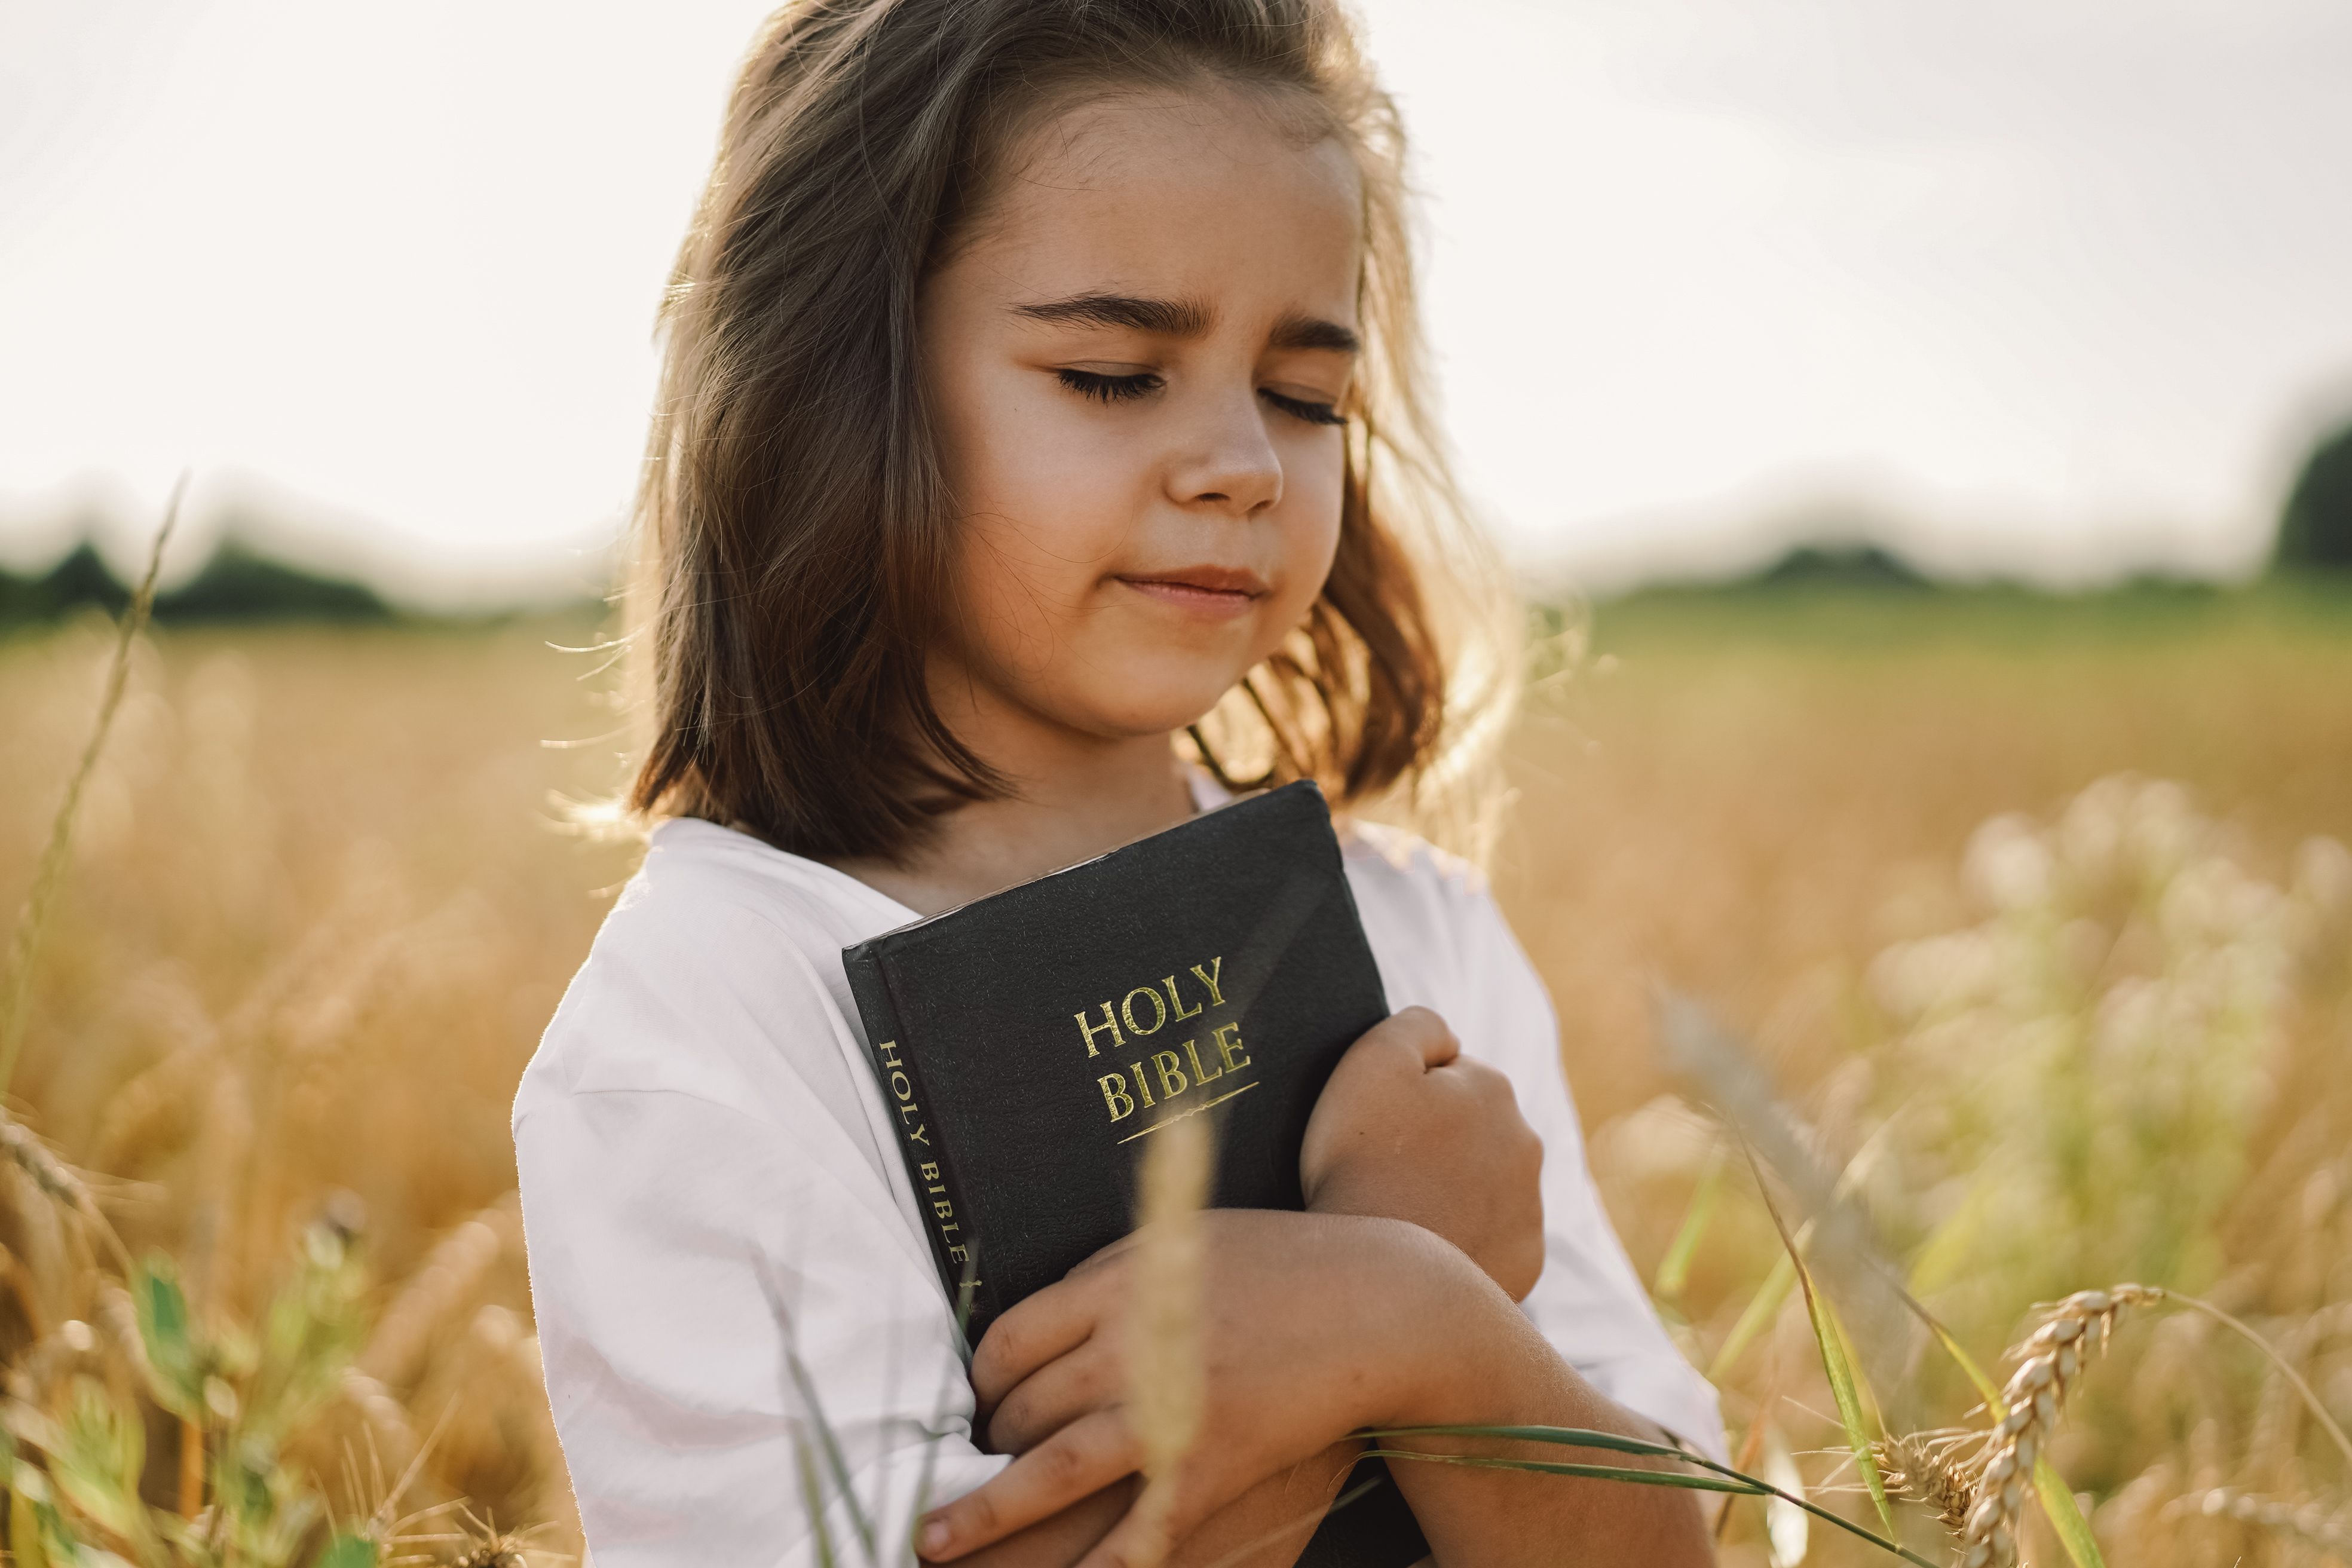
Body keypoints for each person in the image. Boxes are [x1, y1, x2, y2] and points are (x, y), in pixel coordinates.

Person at [511, 1, 1724, 1563]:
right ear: (836, 390)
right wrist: (1390, 1268)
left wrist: (1428, 1331)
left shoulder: (1417, 940)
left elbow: (1675, 1545)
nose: (1243, 462)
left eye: (1305, 396)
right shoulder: (710, 1017)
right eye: (1108, 373)